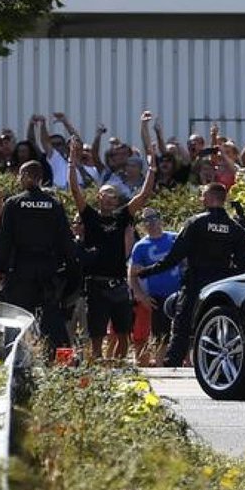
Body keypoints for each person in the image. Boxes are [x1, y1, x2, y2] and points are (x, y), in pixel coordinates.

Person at [132, 183, 245, 368]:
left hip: (195, 283)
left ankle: (173, 363)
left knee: (182, 326)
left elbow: (174, 257)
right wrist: (224, 275)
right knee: (216, 324)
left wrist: (147, 271)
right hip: (220, 286)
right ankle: (215, 363)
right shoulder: (234, 228)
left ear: (211, 198)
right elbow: (243, 266)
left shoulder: (196, 223)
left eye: (203, 195)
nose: (200, 198)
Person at [68, 139, 156, 361]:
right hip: (96, 285)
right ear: (98, 197)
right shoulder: (90, 216)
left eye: (113, 196)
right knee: (97, 336)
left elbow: (143, 195)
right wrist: (72, 163)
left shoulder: (122, 216)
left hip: (119, 285)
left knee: (123, 334)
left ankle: (118, 371)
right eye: (106, 195)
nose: (109, 199)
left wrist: (152, 165)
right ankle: (99, 374)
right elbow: (75, 191)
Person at [0, 160, 78, 355]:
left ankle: (13, 359)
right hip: (48, 268)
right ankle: (61, 361)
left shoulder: (13, 204)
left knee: (17, 316)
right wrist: (70, 270)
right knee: (53, 318)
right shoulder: (54, 204)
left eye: (21, 175)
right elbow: (65, 239)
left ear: (29, 176)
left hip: (22, 268)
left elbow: (4, 239)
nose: (19, 179)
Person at [129, 208, 182, 366]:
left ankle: (183, 365)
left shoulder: (175, 239)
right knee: (161, 337)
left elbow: (188, 263)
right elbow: (132, 275)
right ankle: (161, 368)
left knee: (182, 333)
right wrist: (141, 296)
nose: (151, 222)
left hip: (179, 294)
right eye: (146, 220)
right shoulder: (141, 246)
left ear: (160, 219)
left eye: (153, 218)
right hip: (157, 297)